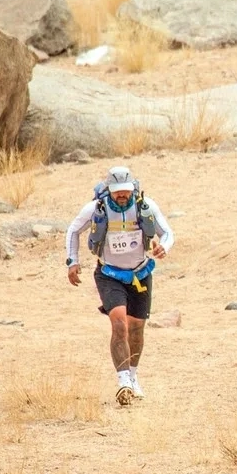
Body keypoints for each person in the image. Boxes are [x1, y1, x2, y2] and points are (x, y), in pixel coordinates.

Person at [65, 166, 174, 406]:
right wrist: (72, 261)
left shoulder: (146, 207)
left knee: (136, 329)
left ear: (132, 188)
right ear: (109, 190)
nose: (122, 195)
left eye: (125, 190)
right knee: (119, 324)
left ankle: (133, 377)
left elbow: (167, 233)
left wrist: (164, 247)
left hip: (140, 274)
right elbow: (73, 230)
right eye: (117, 191)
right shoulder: (95, 209)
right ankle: (123, 381)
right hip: (109, 274)